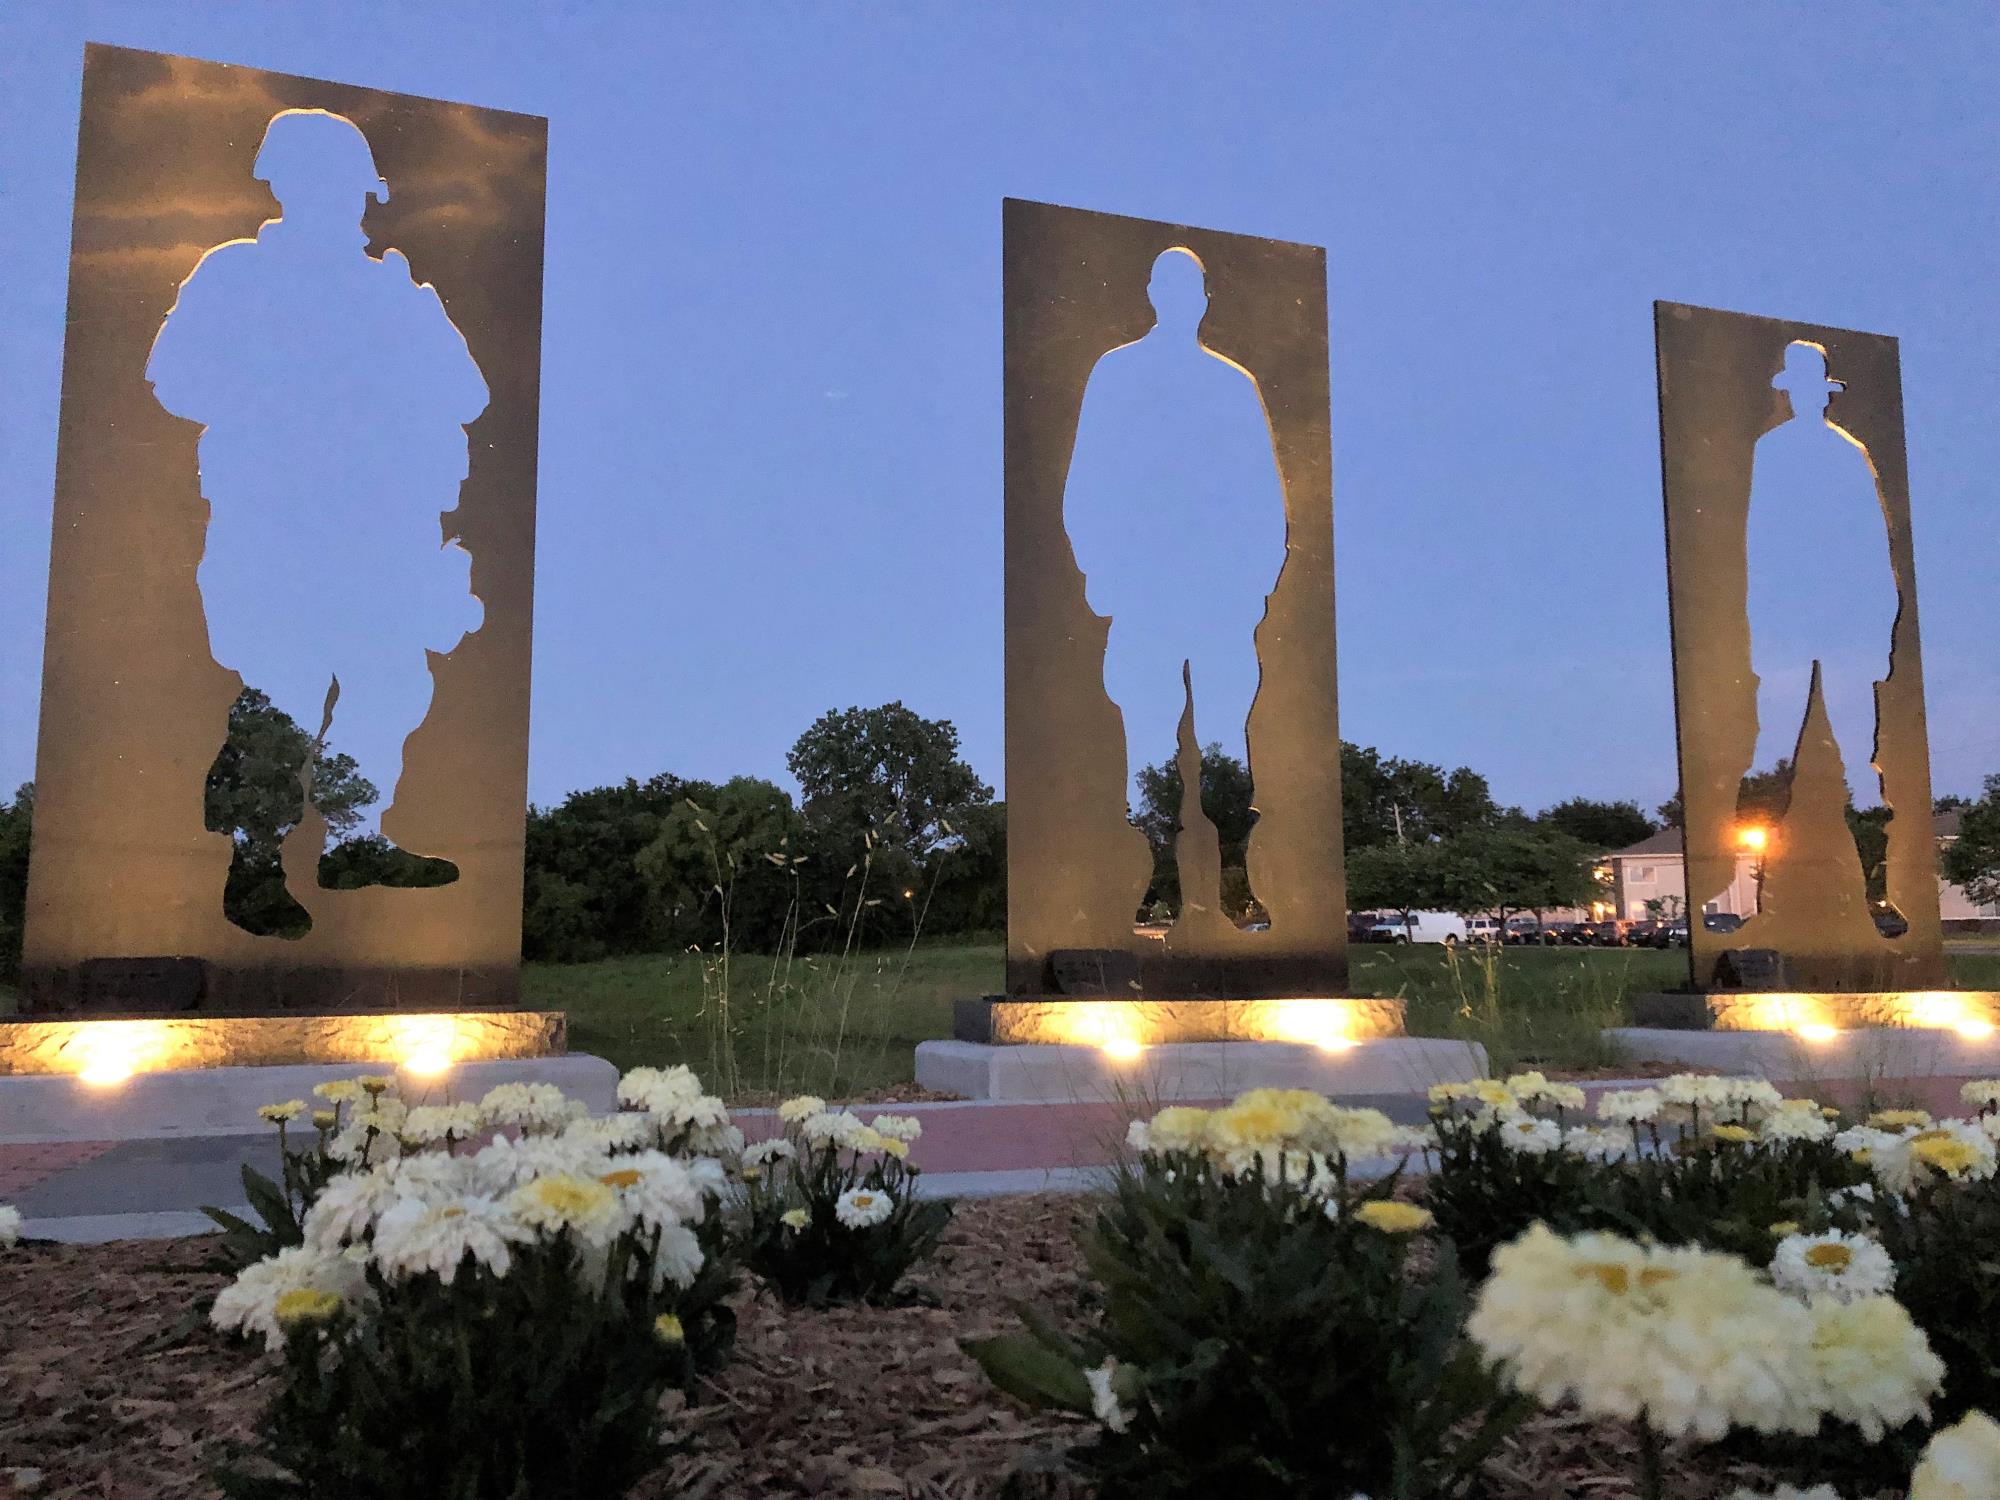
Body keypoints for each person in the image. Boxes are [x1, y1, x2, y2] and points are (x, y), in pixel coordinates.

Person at [146, 109, 488, 915]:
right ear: (285, 184)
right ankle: (255, 859)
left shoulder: (394, 289)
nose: (343, 202)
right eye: (322, 183)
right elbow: (173, 376)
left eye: (351, 188)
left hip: (386, 526)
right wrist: (288, 392)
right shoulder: (235, 275)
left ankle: (356, 838)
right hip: (278, 524)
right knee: (284, 687)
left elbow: (468, 391)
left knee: (389, 680)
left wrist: (398, 360)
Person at [1060, 248, 1288, 913]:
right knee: (1148, 751)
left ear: (1205, 299)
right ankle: (1148, 896)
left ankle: (1238, 896)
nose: (1183, 296)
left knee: (1225, 749)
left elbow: (1263, 497)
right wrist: (1101, 574)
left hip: (1220, 601)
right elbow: (1086, 485)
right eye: (1170, 284)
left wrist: (1256, 585)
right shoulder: (1117, 373)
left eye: (1195, 287)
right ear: (1153, 293)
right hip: (1145, 597)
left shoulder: (1231, 384)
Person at [1743, 341, 1900, 810]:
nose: (1804, 398)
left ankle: (1865, 799)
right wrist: (1764, 607)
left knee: (1852, 704)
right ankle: (1765, 802)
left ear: (1824, 395)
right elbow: (1761, 534)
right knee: (1779, 705)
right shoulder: (1771, 450)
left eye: (1813, 389)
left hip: (1843, 605)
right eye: (1797, 389)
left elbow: (1872, 537)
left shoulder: (1848, 452)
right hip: (1789, 603)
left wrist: (1879, 612)